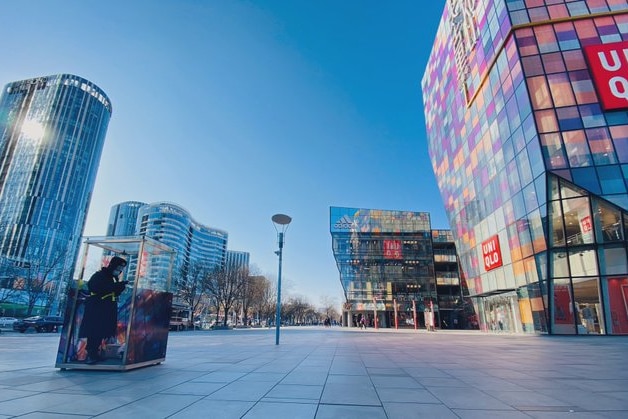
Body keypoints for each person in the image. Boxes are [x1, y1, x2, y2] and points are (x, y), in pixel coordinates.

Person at [79, 256, 128, 364]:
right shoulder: (99, 275)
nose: (119, 270)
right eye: (118, 267)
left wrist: (119, 287)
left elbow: (112, 291)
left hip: (106, 307)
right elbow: (97, 288)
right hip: (97, 307)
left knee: (101, 331)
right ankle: (91, 353)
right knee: (95, 331)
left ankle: (95, 352)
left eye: (121, 268)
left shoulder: (112, 278)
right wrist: (115, 287)